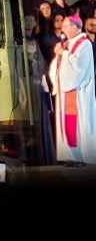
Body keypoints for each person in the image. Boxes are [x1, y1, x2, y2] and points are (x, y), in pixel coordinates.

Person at [48, 14, 96, 164]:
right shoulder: (67, 44)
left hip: (79, 93)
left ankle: (85, 158)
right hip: (66, 92)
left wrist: (63, 53)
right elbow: (57, 66)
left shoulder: (84, 44)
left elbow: (78, 67)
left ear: (74, 27)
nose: (63, 29)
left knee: (81, 126)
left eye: (66, 26)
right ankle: (71, 157)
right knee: (66, 125)